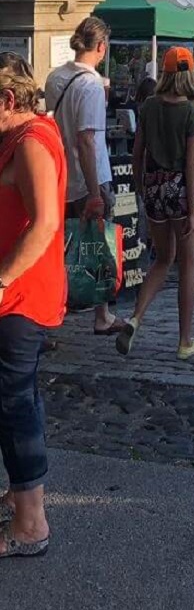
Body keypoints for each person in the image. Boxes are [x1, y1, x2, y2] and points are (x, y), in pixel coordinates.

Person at [0, 54, 65, 558]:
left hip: (20, 296)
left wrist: (1, 279)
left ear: (7, 100)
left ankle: (31, 524)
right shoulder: (19, 138)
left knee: (14, 403)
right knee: (17, 399)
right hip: (17, 295)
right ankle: (22, 498)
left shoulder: (32, 142)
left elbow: (44, 224)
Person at [117, 47, 194, 361]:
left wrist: (141, 187)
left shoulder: (149, 106)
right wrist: (192, 210)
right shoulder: (191, 112)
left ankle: (135, 317)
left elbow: (137, 151)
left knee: (161, 259)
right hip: (180, 189)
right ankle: (185, 340)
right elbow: (192, 164)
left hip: (154, 187)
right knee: (188, 264)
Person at [43, 17, 125, 337]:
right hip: (89, 175)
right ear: (101, 47)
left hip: (61, 174)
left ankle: (54, 312)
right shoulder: (90, 85)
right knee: (98, 246)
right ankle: (102, 314)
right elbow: (87, 140)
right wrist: (94, 192)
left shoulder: (55, 77)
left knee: (63, 249)